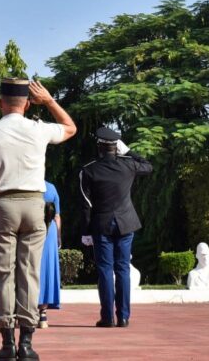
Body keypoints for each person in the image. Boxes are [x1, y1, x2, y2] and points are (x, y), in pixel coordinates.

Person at [0, 78, 76, 361]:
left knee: (4, 274)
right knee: (29, 273)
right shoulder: (38, 129)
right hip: (34, 204)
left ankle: (7, 343)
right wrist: (50, 100)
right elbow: (70, 127)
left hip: (2, 205)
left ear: (0, 103)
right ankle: (27, 344)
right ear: (28, 104)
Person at [79, 127, 152, 329]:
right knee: (123, 269)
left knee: (105, 270)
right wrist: (129, 152)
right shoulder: (128, 165)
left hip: (101, 225)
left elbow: (86, 205)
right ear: (116, 146)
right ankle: (124, 317)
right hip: (126, 223)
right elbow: (148, 166)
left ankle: (108, 318)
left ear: (99, 146)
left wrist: (86, 232)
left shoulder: (89, 170)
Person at [37, 181, 61, 329]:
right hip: (49, 229)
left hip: (30, 227)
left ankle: (27, 310)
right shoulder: (51, 187)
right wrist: (58, 236)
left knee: (30, 267)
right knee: (46, 269)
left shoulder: (25, 183)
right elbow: (57, 215)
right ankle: (43, 314)